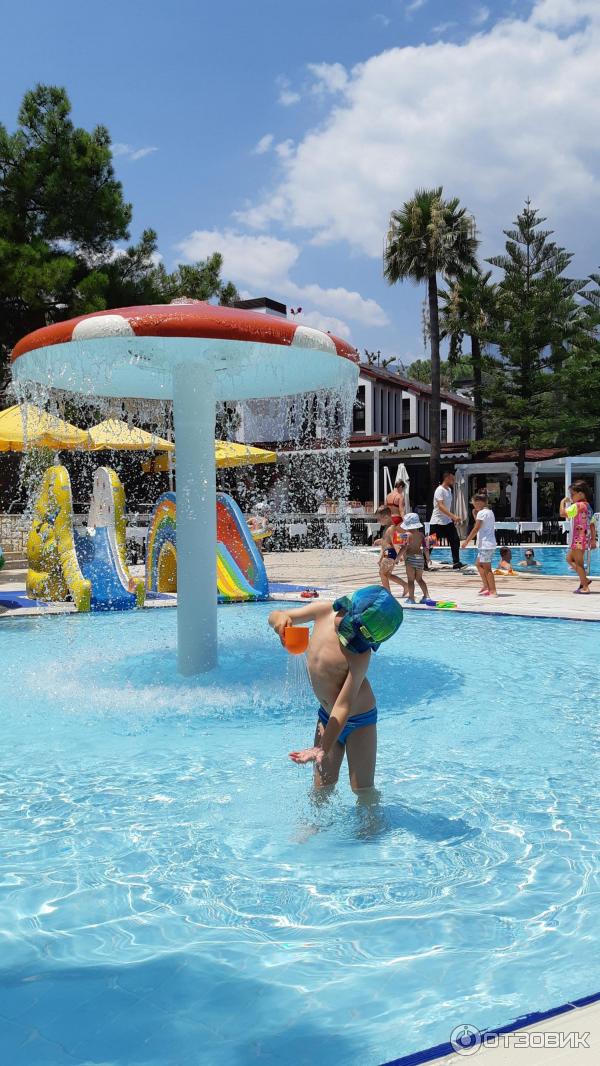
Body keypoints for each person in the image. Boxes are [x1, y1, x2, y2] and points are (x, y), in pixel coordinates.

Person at [268, 586, 403, 792]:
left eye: (358, 637)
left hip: (359, 721)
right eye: (350, 628)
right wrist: (280, 620)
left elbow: (344, 705)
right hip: (327, 717)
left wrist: (321, 747)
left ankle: (369, 816)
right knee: (321, 788)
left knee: (362, 789)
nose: (350, 639)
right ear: (346, 607)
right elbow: (275, 615)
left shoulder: (360, 653)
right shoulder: (322, 611)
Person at [560, 480, 596, 594]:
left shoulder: (577, 506)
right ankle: (584, 580)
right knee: (569, 559)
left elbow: (562, 513)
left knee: (579, 563)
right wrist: (593, 540)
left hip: (578, 539)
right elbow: (592, 524)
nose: (571, 497)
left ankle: (585, 587)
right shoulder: (588, 506)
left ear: (580, 494)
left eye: (572, 494)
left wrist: (562, 502)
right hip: (585, 539)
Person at [461, 493, 497, 596]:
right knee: (478, 564)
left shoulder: (482, 513)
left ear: (479, 502)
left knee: (487, 569)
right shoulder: (489, 512)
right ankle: (486, 585)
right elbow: (480, 525)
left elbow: (476, 528)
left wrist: (466, 541)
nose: (473, 505)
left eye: (474, 503)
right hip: (488, 544)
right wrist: (474, 514)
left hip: (486, 544)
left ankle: (493, 591)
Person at [429, 471, 464, 569]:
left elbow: (447, 507)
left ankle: (456, 562)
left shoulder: (449, 490)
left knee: (455, 540)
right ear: (447, 478)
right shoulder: (439, 490)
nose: (453, 480)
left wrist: (451, 517)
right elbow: (440, 506)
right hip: (437, 521)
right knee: (430, 544)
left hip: (447, 521)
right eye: (452, 478)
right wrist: (453, 516)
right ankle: (423, 562)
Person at [374, 506, 408, 596]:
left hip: (390, 553)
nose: (378, 521)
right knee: (387, 574)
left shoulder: (391, 528)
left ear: (386, 517)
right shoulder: (387, 528)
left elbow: (395, 542)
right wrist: (380, 541)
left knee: (382, 573)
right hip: (387, 553)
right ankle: (405, 585)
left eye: (379, 519)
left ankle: (387, 594)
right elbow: (386, 542)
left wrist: (399, 555)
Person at [400, 512, 430, 603]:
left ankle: (411, 598)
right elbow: (425, 548)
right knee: (419, 579)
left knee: (410, 580)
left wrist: (397, 558)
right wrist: (428, 558)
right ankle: (426, 596)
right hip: (420, 559)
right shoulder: (421, 535)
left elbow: (404, 548)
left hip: (410, 559)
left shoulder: (406, 535)